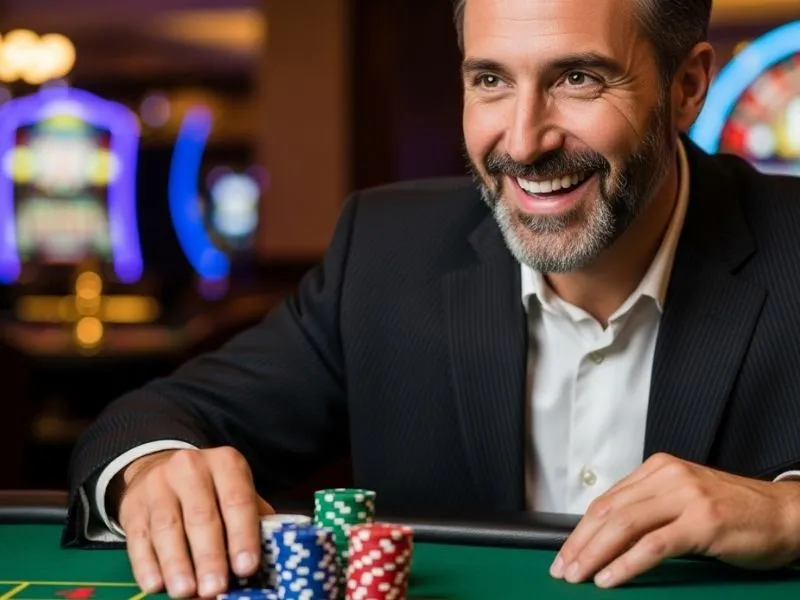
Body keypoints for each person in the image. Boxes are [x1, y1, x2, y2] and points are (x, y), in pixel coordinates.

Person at [63, 0, 800, 596]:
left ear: (687, 88)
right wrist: (156, 470)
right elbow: (145, 421)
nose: (523, 140)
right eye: (490, 80)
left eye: (577, 78)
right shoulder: (387, 253)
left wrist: (790, 513)